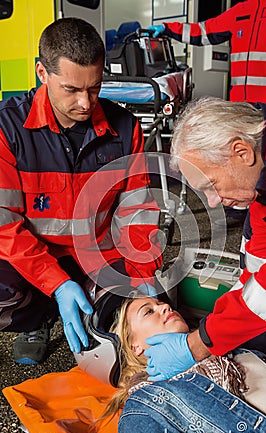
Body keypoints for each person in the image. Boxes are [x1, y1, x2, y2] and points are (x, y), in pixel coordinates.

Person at [0, 17, 161, 365]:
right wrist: (57, 284)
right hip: (34, 258)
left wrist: (142, 277)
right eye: (71, 90)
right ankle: (36, 317)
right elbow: (4, 227)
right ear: (42, 73)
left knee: (127, 314)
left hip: (98, 257)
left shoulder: (125, 129)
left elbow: (138, 212)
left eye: (94, 87)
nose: (86, 103)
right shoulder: (7, 129)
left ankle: (92, 307)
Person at [142, 96, 266, 383]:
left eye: (211, 185)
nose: (213, 201)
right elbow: (256, 268)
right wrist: (215, 328)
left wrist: (197, 345)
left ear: (241, 152)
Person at [149, 0, 266, 226]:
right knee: (236, 166)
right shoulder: (241, 10)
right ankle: (240, 210)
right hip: (241, 107)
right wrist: (170, 29)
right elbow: (205, 31)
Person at [97, 293, 266, 433]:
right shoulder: (144, 408)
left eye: (160, 303)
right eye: (148, 311)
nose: (165, 306)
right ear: (135, 347)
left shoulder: (232, 351)